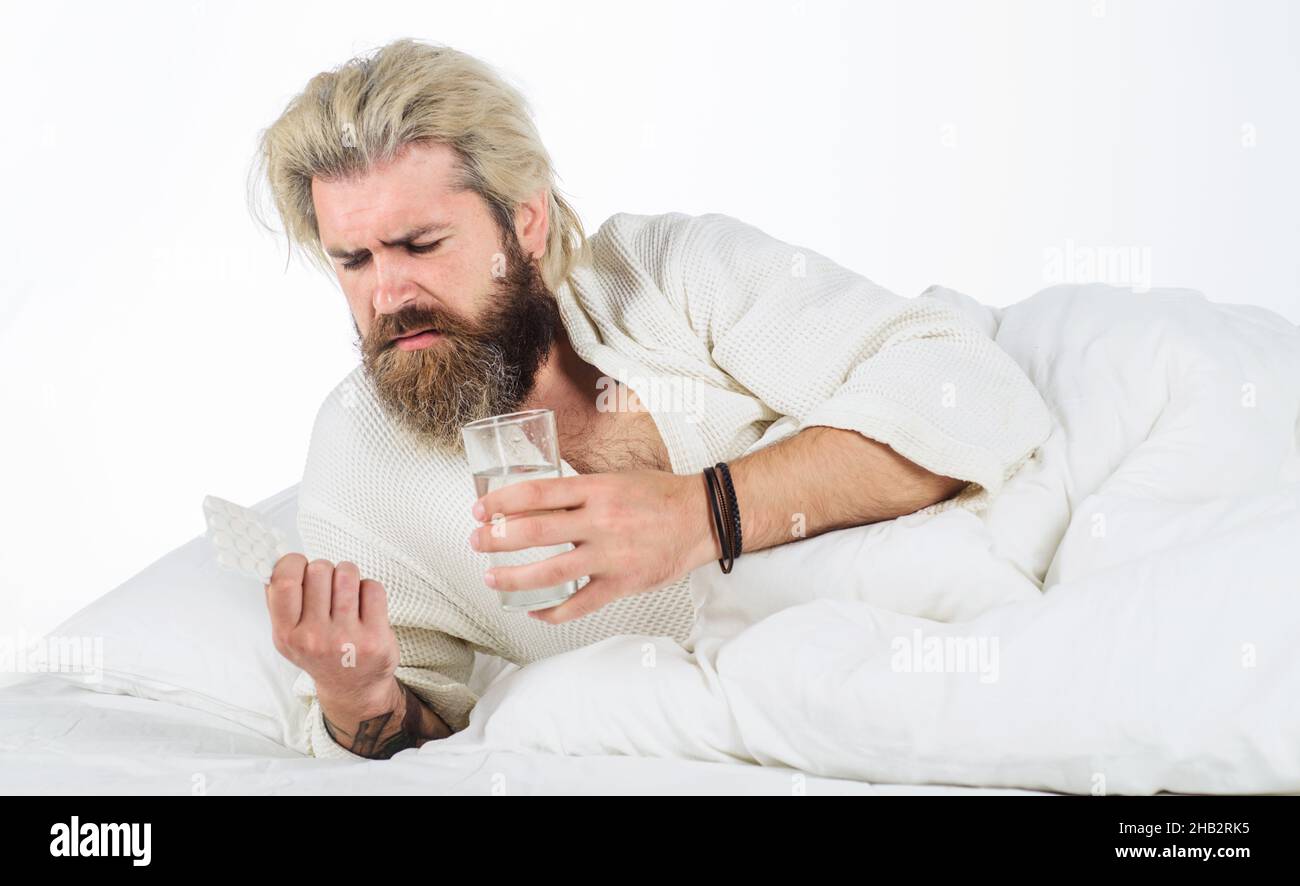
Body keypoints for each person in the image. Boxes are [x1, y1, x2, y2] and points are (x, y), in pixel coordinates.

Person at [249, 38, 1052, 760]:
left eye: (421, 245)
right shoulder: (357, 456)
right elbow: (422, 742)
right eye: (352, 260)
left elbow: (973, 390)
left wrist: (701, 515)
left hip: (956, 654)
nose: (387, 294)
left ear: (524, 222)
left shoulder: (665, 272)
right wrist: (353, 693)